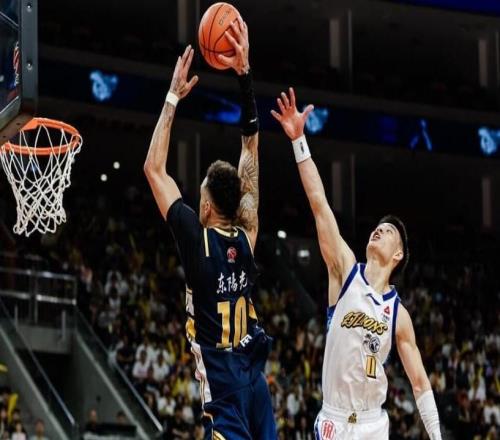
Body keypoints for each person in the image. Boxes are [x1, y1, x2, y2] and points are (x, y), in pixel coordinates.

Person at [271, 88, 442, 439]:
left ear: (398, 255)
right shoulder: (345, 270)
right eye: (378, 227)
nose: (379, 229)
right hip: (334, 420)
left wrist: (437, 436)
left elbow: (420, 383)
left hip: (373, 425)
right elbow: (319, 203)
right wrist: (299, 141)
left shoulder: (399, 315)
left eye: (388, 231)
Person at [144, 17, 276, 440]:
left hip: (224, 387)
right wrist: (244, 75)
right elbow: (250, 147)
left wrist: (172, 96)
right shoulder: (247, 232)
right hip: (254, 377)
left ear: (204, 206)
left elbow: (154, 169)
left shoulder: (195, 237)